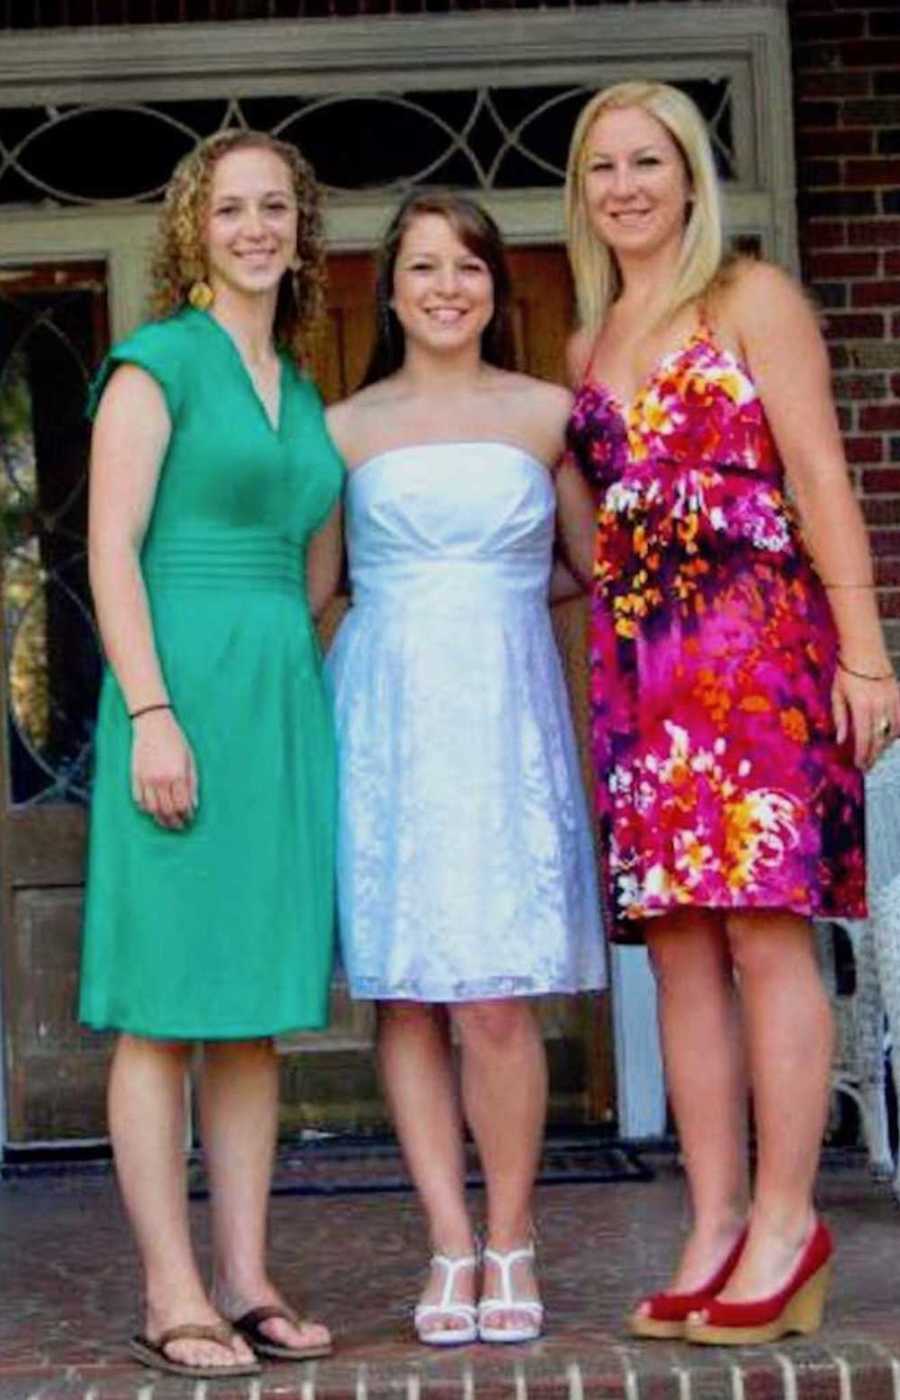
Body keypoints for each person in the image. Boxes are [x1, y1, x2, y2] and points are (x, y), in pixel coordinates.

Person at [563, 79, 900, 1346]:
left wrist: (865, 655)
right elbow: (593, 531)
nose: (626, 188)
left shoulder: (750, 300)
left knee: (766, 937)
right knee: (683, 955)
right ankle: (709, 1223)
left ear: (692, 178)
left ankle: (784, 1218)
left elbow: (820, 472)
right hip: (643, 679)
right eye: (602, 169)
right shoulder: (587, 340)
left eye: (648, 163)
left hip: (757, 656)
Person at [79, 129, 343, 1378]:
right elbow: (111, 549)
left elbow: (316, 561)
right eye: (231, 207)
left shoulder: (293, 379)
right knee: (162, 1008)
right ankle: (167, 1286)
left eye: (275, 206)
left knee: (249, 1014)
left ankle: (242, 1275)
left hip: (276, 704)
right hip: (176, 695)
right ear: (195, 226)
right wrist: (151, 712)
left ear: (301, 226)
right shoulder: (158, 363)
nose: (255, 227)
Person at [325, 191, 607, 1346]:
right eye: (425, 268)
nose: (448, 287)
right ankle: (447, 1239)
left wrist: (485, 607)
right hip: (388, 713)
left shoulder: (550, 414)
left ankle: (512, 1234)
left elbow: (591, 565)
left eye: (471, 268)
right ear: (390, 289)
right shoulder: (342, 428)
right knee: (406, 987)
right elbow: (317, 589)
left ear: (497, 285)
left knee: (494, 992)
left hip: (503, 714)